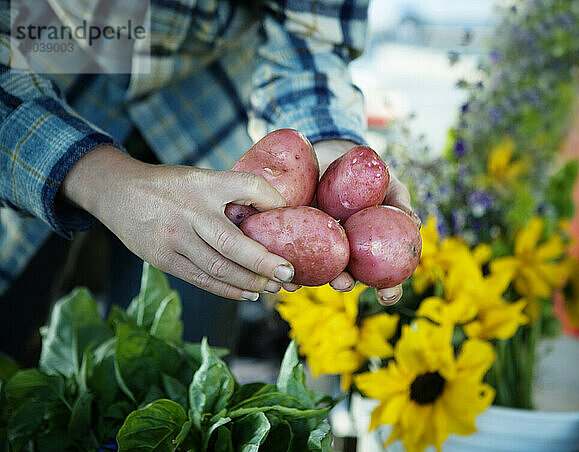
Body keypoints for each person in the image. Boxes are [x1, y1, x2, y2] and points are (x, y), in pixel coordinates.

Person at [0, 1, 417, 359]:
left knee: (181, 374)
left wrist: (328, 144)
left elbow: (311, 38)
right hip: (42, 83)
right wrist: (102, 179)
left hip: (207, 118)